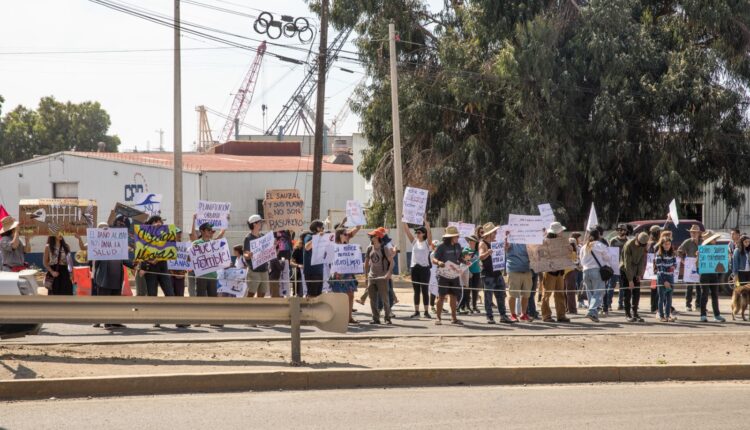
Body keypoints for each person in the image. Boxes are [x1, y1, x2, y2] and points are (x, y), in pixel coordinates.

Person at [92, 221, 132, 329]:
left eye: (106, 228)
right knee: (104, 301)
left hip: (117, 278)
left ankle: (115, 321)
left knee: (116, 301)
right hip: (104, 278)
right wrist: (95, 277)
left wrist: (135, 266)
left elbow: (124, 260)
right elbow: (96, 263)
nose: (105, 230)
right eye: (102, 228)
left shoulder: (118, 243)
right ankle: (105, 321)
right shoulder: (97, 244)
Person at [479, 223, 513, 324]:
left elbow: (503, 250)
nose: (496, 233)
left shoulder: (495, 242)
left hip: (497, 273)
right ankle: (489, 317)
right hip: (488, 274)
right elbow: (481, 257)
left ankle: (503, 315)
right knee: (488, 297)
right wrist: (487, 253)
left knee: (501, 295)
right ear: (489, 233)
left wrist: (506, 246)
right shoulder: (483, 243)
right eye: (494, 232)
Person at [579, 227, 615, 322]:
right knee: (598, 293)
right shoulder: (600, 245)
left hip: (585, 271)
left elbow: (581, 260)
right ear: (598, 236)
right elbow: (608, 258)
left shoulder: (584, 247)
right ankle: (591, 311)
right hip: (597, 271)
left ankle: (594, 314)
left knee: (591, 293)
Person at [329, 225, 362, 325]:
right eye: (345, 234)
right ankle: (338, 317)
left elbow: (357, 228)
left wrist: (357, 220)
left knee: (350, 295)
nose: (347, 235)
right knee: (339, 296)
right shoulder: (333, 244)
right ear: (339, 235)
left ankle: (349, 317)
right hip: (338, 274)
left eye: (347, 234)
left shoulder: (348, 242)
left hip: (348, 273)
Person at [540, 222, 572, 323]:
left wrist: (569, 250)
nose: (562, 232)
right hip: (550, 271)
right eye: (561, 230)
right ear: (556, 232)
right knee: (547, 295)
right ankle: (546, 316)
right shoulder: (545, 241)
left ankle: (561, 315)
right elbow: (541, 255)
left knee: (560, 294)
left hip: (560, 271)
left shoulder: (562, 242)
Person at [138, 215, 175, 303]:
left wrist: (158, 258)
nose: (158, 223)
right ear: (150, 224)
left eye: (160, 221)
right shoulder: (143, 234)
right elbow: (141, 252)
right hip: (150, 269)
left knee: (170, 293)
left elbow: (170, 249)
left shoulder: (167, 233)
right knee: (152, 294)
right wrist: (147, 263)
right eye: (156, 221)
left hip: (163, 269)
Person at [432, 226, 463, 325]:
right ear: (450, 237)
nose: (458, 237)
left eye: (457, 236)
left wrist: (465, 261)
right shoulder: (441, 246)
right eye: (456, 236)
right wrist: (439, 262)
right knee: (441, 296)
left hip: (454, 274)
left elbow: (460, 258)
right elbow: (434, 259)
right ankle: (438, 317)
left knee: (453, 296)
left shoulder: (458, 246)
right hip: (443, 274)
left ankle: (454, 318)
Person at [402, 221, 433, 318]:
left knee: (424, 290)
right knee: (416, 291)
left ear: (424, 233)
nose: (417, 234)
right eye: (417, 233)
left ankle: (426, 311)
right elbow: (407, 231)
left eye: (419, 232)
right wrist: (404, 221)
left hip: (424, 268)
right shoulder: (414, 242)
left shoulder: (427, 243)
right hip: (415, 268)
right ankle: (416, 311)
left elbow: (430, 234)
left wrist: (427, 224)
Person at [364, 227, 394, 324]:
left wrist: (388, 273)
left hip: (382, 277)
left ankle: (387, 318)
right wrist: (366, 276)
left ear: (377, 237)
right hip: (372, 277)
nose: (370, 237)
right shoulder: (369, 248)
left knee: (385, 298)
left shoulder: (384, 248)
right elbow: (366, 263)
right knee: (372, 299)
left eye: (372, 235)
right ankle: (375, 318)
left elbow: (392, 262)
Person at [191, 218, 226, 298]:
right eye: (208, 230)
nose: (211, 232)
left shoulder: (213, 243)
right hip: (201, 276)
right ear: (202, 231)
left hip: (213, 276)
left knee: (213, 299)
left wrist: (225, 221)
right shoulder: (196, 243)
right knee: (200, 299)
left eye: (212, 230)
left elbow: (221, 235)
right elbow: (190, 258)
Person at [505, 230, 534, 322]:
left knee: (526, 294)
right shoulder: (511, 239)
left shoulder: (529, 241)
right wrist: (506, 238)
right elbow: (506, 247)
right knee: (512, 294)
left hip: (527, 270)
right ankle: (513, 314)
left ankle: (523, 314)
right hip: (514, 270)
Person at [44, 231, 84, 296]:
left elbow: (69, 262)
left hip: (64, 273)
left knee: (67, 293)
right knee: (55, 296)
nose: (60, 234)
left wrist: (72, 274)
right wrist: (52, 272)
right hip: (54, 273)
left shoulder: (66, 246)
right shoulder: (48, 247)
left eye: (61, 232)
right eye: (58, 233)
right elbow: (45, 262)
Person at [698, 233, 726, 322]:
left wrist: (726, 255)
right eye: (714, 240)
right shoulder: (702, 250)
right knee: (704, 295)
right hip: (704, 274)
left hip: (714, 274)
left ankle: (717, 315)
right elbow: (697, 264)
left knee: (715, 295)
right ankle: (703, 315)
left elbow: (722, 263)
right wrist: (698, 256)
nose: (715, 241)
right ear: (710, 241)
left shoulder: (717, 249)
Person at [621, 233, 649, 322]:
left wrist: (639, 274)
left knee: (636, 293)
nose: (641, 246)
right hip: (626, 270)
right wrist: (630, 280)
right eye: (640, 244)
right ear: (637, 239)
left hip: (636, 269)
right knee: (627, 293)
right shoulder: (629, 245)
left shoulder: (643, 246)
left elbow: (641, 260)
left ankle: (635, 313)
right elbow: (627, 264)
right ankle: (627, 314)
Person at [243, 214, 270, 298]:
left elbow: (267, 250)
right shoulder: (248, 238)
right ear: (254, 224)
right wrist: (248, 255)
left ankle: (259, 310)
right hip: (254, 271)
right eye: (260, 222)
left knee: (262, 293)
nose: (261, 224)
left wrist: (273, 246)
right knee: (251, 293)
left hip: (264, 269)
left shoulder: (263, 236)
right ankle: (247, 309)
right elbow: (245, 254)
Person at [678, 225, 703, 311]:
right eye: (692, 232)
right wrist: (683, 260)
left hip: (701, 266)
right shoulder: (687, 242)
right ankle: (688, 305)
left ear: (699, 233)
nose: (693, 234)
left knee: (699, 286)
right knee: (689, 286)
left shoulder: (703, 242)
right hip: (690, 266)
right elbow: (679, 251)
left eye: (695, 232)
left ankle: (698, 305)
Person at [654, 238, 678, 322]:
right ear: (662, 245)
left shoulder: (673, 253)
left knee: (669, 298)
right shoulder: (659, 254)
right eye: (665, 244)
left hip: (671, 277)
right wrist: (664, 281)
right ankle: (661, 315)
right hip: (662, 278)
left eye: (669, 244)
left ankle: (668, 315)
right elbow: (659, 269)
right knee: (661, 297)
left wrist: (673, 267)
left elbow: (675, 263)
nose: (667, 245)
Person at [303, 220, 326, 297]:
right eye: (322, 227)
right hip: (311, 271)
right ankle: (310, 309)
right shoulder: (309, 236)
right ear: (318, 228)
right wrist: (318, 236)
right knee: (312, 294)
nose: (323, 229)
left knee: (318, 294)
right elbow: (307, 247)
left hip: (319, 270)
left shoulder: (322, 237)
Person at [459, 235, 481, 315]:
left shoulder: (478, 250)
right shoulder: (465, 250)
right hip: (468, 272)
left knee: (475, 290)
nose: (471, 242)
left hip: (477, 271)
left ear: (476, 242)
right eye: (470, 240)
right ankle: (467, 306)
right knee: (467, 290)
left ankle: (474, 306)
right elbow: (463, 261)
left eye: (473, 241)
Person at [609, 224, 629, 312]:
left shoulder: (628, 241)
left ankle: (621, 304)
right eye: (619, 230)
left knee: (623, 286)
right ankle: (608, 304)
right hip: (614, 266)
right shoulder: (613, 241)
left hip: (624, 266)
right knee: (611, 285)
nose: (620, 231)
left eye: (622, 230)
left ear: (625, 231)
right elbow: (609, 253)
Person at [646, 225, 661, 313]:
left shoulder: (649, 242)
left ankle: (654, 306)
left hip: (651, 268)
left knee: (654, 288)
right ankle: (654, 307)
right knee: (655, 288)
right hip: (655, 268)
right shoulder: (653, 244)